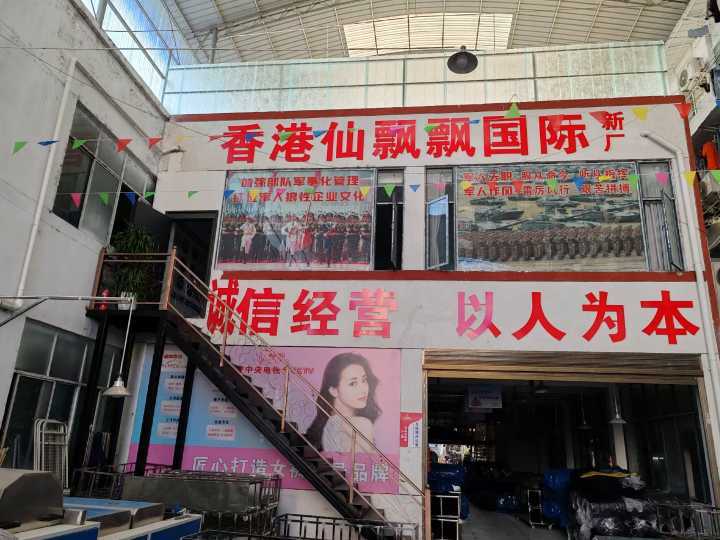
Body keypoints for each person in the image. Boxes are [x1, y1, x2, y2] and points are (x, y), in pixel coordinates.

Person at [306, 353, 381, 453]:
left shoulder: (328, 425)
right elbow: (361, 462)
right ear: (334, 390)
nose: (363, 389)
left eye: (364, 380)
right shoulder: (361, 424)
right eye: (353, 383)